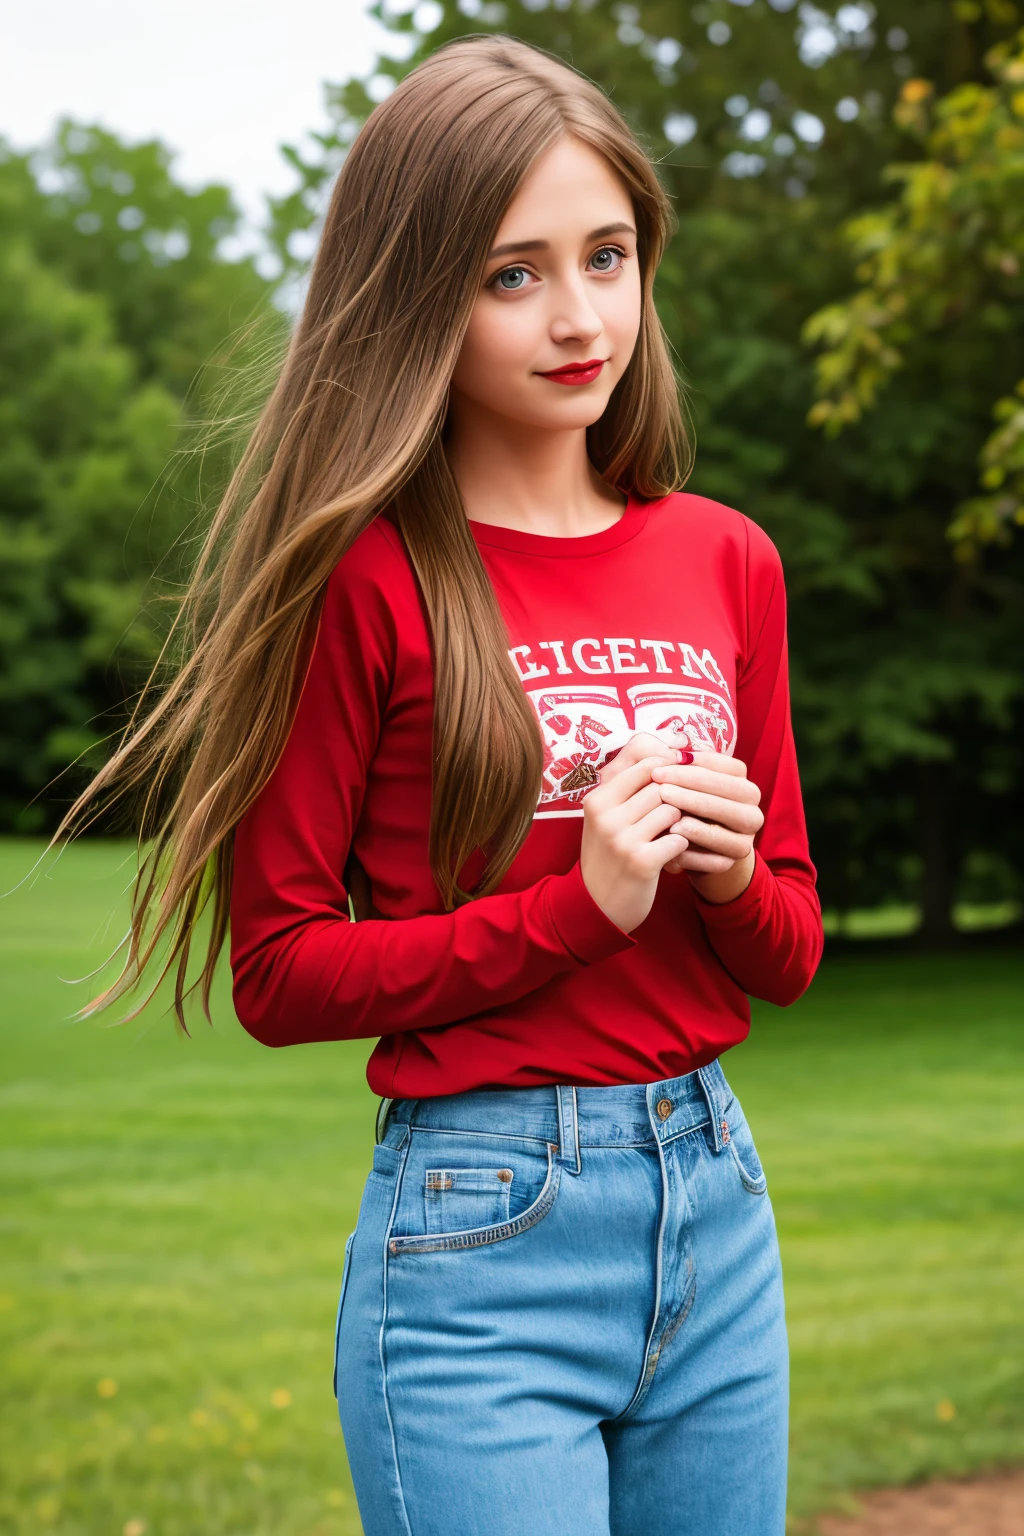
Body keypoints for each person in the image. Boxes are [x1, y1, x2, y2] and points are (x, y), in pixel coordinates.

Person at [63, 34, 823, 1536]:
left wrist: (731, 879)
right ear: (421, 298)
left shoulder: (727, 556)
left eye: (607, 256)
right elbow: (279, 969)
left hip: (718, 1209)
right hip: (482, 1242)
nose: (579, 315)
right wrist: (577, 909)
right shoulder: (366, 578)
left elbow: (790, 951)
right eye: (512, 274)